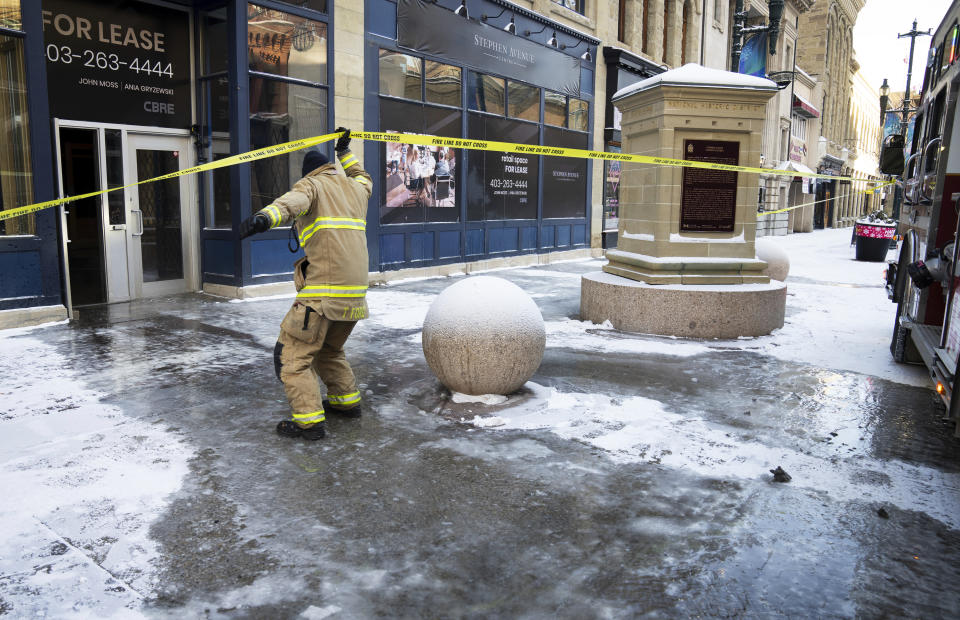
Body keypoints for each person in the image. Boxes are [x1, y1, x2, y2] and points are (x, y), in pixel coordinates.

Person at [239, 128, 372, 440]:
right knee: (329, 350)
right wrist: (345, 152)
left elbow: (291, 202)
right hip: (354, 295)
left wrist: (263, 217)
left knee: (291, 357)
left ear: (309, 173)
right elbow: (363, 175)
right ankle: (346, 403)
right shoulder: (356, 189)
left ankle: (309, 423)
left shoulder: (311, 185)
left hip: (323, 293)